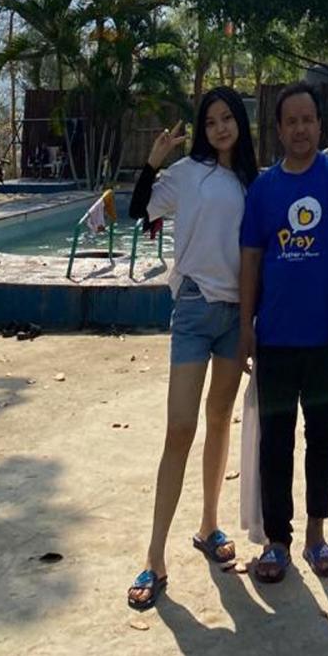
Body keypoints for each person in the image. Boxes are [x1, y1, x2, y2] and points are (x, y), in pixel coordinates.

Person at [126, 87, 258, 612]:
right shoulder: (186, 173)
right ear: (202, 130)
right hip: (195, 309)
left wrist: (254, 321)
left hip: (236, 316)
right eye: (211, 121)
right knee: (180, 428)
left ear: (240, 123)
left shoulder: (251, 181)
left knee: (220, 419)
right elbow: (138, 209)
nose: (220, 127)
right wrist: (153, 161)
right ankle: (155, 557)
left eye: (228, 118)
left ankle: (209, 525)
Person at [238, 81, 328, 585]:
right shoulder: (263, 189)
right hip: (274, 338)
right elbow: (251, 260)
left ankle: (316, 534)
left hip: (326, 340)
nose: (300, 129)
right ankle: (277, 541)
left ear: (319, 124)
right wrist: (246, 325)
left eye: (307, 120)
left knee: (323, 437)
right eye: (290, 121)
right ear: (278, 129)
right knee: (275, 442)